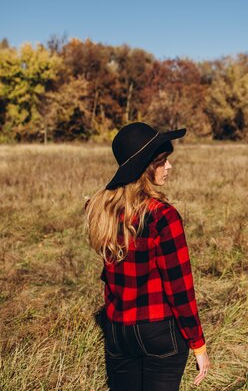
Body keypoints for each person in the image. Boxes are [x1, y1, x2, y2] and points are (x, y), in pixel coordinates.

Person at [85, 122, 210, 391]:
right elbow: (180, 289)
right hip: (159, 332)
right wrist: (198, 343)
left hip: (118, 331)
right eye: (162, 161)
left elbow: (109, 278)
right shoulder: (163, 216)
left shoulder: (103, 212)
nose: (169, 167)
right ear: (145, 169)